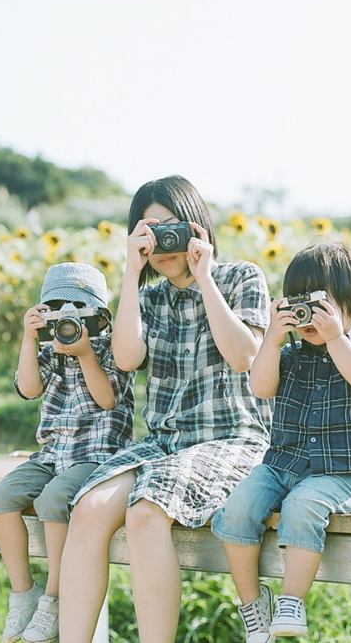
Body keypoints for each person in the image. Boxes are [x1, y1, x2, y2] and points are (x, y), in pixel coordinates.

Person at [57, 175, 272, 643]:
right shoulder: (148, 296)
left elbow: (245, 356)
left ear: (198, 226)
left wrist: (205, 276)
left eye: (172, 227)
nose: (163, 242)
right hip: (163, 444)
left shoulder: (241, 276)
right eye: (149, 232)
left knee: (145, 510)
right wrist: (131, 273)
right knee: (89, 508)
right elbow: (128, 358)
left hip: (232, 437)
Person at [211, 238, 351, 641]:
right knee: (236, 509)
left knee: (302, 506)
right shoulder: (290, 355)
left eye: (321, 305)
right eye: (301, 305)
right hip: (282, 465)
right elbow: (260, 388)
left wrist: (335, 338)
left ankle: (292, 600)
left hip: (341, 471)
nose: (310, 317)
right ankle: (252, 606)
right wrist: (272, 339)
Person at [0, 262, 135, 643]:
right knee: (2, 498)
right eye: (58, 310)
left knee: (54, 501)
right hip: (53, 453)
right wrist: (29, 338)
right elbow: (29, 389)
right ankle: (24, 594)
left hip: (98, 454)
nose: (68, 321)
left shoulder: (113, 348)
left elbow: (106, 400)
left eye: (78, 310)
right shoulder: (50, 348)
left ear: (98, 316)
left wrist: (85, 354)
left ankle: (54, 598)